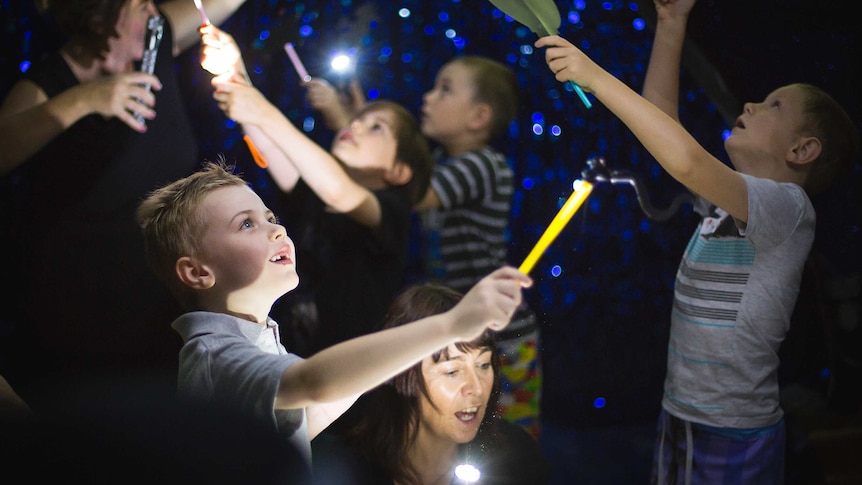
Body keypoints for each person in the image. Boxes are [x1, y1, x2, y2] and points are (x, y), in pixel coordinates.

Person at [535, 0, 859, 481]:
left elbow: (684, 159)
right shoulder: (728, 203)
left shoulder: (788, 209)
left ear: (802, 150)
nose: (751, 104)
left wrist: (595, 76)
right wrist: (671, 23)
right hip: (681, 416)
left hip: (732, 434)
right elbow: (663, 126)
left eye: (774, 105)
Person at [134, 161, 531, 471]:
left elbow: (304, 420)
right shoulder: (214, 355)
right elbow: (314, 382)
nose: (277, 230)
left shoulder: (255, 338)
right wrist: (452, 325)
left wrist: (391, 354)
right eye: (247, 224)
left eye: (270, 217)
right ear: (198, 272)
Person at [0, 0, 250, 407]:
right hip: (81, 312)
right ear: (103, 17)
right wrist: (84, 100)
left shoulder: (156, 36)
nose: (155, 11)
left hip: (163, 299)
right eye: (140, 5)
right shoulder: (48, 84)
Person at [203, 28, 433, 356]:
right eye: (358, 120)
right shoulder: (315, 195)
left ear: (399, 171)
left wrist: (264, 111)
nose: (354, 126)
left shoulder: (393, 210)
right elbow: (268, 144)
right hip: (291, 357)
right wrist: (234, 66)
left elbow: (341, 193)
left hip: (349, 378)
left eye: (376, 127)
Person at [312, 283, 551, 485]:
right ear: (400, 373)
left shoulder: (515, 460)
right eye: (452, 371)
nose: (476, 388)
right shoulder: (345, 469)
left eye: (484, 365)